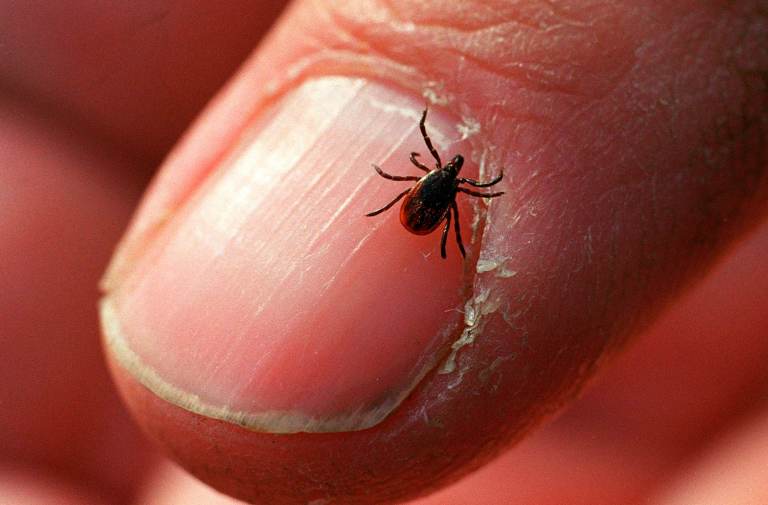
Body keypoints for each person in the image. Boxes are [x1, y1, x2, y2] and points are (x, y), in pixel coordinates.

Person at [2, 1, 767, 503]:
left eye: (452, 174)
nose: (451, 176)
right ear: (442, 176)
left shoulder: (432, 179)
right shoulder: (446, 189)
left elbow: (418, 182)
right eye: (451, 172)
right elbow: (436, 186)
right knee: (444, 227)